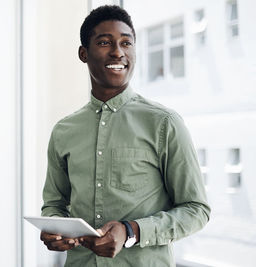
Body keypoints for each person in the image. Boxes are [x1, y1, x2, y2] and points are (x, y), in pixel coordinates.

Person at [40, 5, 210, 267]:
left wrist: (131, 231)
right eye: (105, 42)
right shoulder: (64, 131)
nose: (118, 52)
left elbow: (196, 209)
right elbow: (54, 204)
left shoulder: (164, 123)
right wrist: (54, 230)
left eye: (126, 43)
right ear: (83, 54)